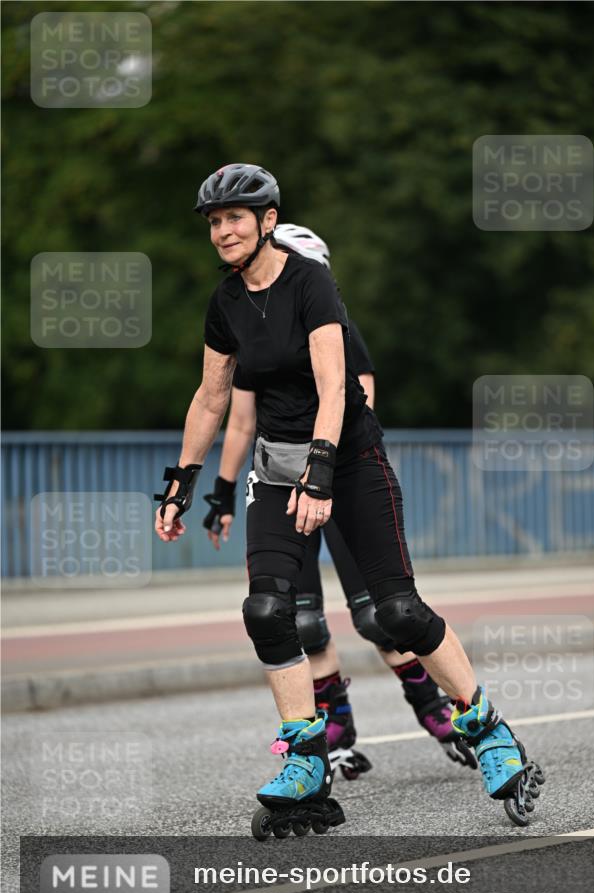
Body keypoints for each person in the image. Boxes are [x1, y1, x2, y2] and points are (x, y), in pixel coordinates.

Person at [154, 163, 545, 839]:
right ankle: (304, 758)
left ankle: (486, 729)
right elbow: (214, 397)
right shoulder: (225, 303)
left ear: (267, 220)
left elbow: (335, 387)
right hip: (279, 473)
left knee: (396, 610)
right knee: (269, 612)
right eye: (214, 221)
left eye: (234, 218)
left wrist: (320, 474)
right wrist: (183, 484)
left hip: (350, 462)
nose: (222, 231)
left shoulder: (309, 283)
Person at [202, 223, 476, 778]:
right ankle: (335, 730)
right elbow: (239, 418)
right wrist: (222, 491)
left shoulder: (336, 327)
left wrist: (324, 469)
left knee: (383, 615)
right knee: (298, 623)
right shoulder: (257, 336)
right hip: (283, 482)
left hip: (335, 476)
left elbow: (356, 403)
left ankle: (437, 710)